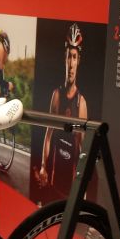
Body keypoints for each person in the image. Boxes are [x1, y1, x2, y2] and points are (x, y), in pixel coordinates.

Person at [36, 23, 88, 196]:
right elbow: (48, 134)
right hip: (53, 180)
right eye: (68, 57)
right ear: (64, 59)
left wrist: (82, 184)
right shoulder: (57, 95)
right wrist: (43, 166)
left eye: (74, 57)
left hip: (70, 185)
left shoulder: (81, 103)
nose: (71, 64)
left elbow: (82, 148)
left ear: (78, 61)